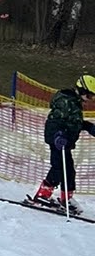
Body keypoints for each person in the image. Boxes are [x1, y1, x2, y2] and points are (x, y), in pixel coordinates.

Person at [30, 74, 95, 214]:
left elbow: (73, 121)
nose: (90, 99)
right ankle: (43, 195)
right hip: (58, 141)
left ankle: (66, 199)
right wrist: (58, 135)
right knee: (59, 168)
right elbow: (56, 121)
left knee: (68, 170)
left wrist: (89, 127)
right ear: (82, 90)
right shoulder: (65, 101)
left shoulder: (75, 102)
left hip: (65, 142)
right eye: (89, 96)